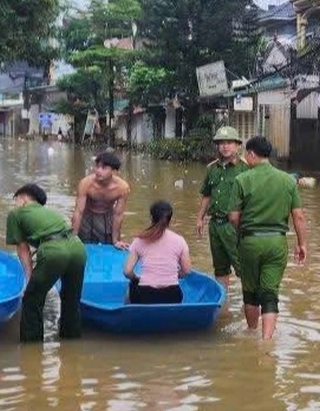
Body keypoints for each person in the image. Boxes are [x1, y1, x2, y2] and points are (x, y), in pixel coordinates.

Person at [228, 136, 308, 340]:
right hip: (276, 243)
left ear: (252, 154)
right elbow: (298, 216)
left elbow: (233, 217)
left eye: (247, 154)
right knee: (270, 293)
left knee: (251, 292)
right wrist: (302, 244)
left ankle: (252, 331)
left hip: (250, 242)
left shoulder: (242, 180)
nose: (246, 158)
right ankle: (266, 341)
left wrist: (243, 233)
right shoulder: (287, 180)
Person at [6, 183, 87, 343]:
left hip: (54, 252)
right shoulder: (49, 213)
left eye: (15, 200)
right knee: (71, 299)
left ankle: (31, 351)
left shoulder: (16, 213)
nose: (14, 204)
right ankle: (72, 344)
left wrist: (29, 279)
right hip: (78, 248)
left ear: (22, 199)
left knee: (31, 299)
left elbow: (23, 249)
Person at [195, 126, 248, 293]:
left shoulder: (245, 169)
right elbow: (207, 195)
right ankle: (223, 307)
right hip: (215, 225)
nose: (225, 146)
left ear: (238, 145)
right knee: (220, 268)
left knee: (244, 268)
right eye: (221, 143)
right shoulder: (212, 169)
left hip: (235, 226)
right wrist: (200, 218)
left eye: (229, 143)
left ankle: (252, 307)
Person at [124, 201, 191, 305]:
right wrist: (173, 275)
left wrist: (136, 278)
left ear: (151, 218)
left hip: (145, 296)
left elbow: (127, 272)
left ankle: (127, 314)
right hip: (173, 296)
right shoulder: (180, 240)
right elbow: (186, 271)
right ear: (170, 219)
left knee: (132, 284)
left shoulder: (139, 240)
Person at [72, 151, 130, 247]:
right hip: (87, 215)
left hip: (106, 216)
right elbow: (78, 211)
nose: (98, 171)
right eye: (97, 167)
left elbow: (118, 215)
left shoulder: (122, 187)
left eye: (104, 168)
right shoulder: (86, 183)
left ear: (113, 171)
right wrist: (73, 237)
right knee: (82, 244)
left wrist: (116, 240)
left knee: (109, 245)